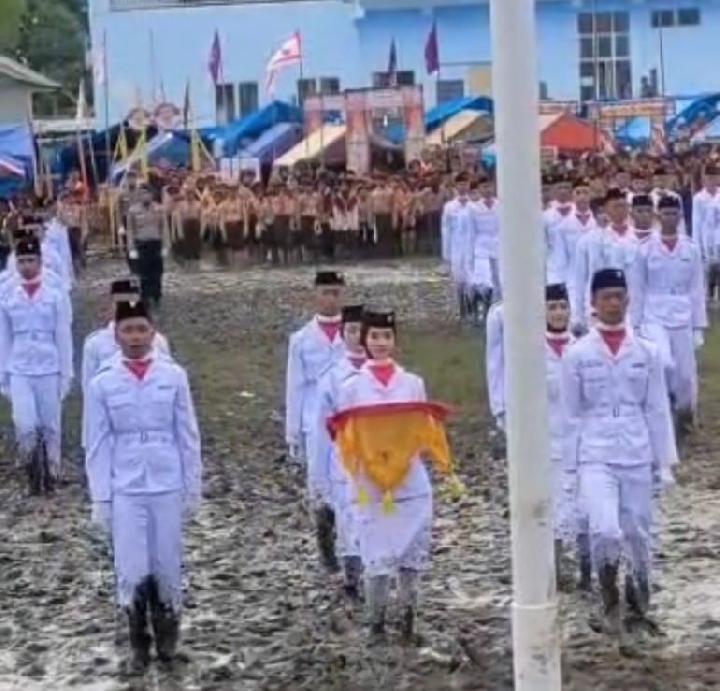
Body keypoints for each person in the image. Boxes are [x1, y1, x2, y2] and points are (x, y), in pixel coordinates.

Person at [85, 299, 201, 673]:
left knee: (166, 562)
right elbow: (97, 443)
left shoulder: (173, 376)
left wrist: (191, 485)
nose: (135, 337)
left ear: (153, 332)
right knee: (132, 567)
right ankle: (138, 640)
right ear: (115, 334)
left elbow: (188, 435)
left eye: (141, 329)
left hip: (165, 481)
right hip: (125, 485)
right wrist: (101, 497)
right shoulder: (102, 382)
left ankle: (168, 636)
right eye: (127, 330)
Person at [562, 268, 675, 636]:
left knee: (639, 532)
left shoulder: (647, 351)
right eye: (606, 296)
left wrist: (666, 461)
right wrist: (569, 466)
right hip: (595, 452)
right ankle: (609, 599)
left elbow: (657, 407)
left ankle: (639, 604)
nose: (613, 303)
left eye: (619, 296)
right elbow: (570, 414)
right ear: (593, 303)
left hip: (637, 449)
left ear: (628, 300)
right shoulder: (577, 355)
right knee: (606, 530)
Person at [335, 309, 436, 642]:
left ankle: (407, 620)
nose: (381, 343)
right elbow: (344, 439)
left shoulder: (412, 384)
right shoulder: (351, 388)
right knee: (376, 557)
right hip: (370, 485)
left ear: (395, 340)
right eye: (374, 336)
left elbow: (422, 431)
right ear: (364, 340)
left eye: (387, 336)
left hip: (409, 483)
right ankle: (376, 623)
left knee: (411, 558)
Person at [0, 237, 73, 493]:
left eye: (31, 260)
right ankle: (30, 466)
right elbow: (3, 336)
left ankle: (53, 469)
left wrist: (66, 372)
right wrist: (3, 373)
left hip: (49, 363)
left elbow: (63, 335)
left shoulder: (54, 294)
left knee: (51, 423)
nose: (26, 266)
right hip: (19, 365)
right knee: (25, 422)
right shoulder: (7, 294)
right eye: (21, 261)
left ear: (40, 261)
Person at [632, 195, 706, 438]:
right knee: (663, 363)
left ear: (679, 217)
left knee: (685, 374)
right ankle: (661, 413)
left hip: (682, 313)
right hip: (654, 313)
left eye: (674, 214)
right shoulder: (645, 249)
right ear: (658, 216)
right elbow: (638, 287)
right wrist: (636, 322)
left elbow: (697, 288)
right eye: (665, 214)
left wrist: (698, 326)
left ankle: (685, 415)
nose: (670, 218)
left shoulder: (690, 248)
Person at [308, 304, 366, 592]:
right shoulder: (331, 377)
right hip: (343, 456)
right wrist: (318, 476)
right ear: (343, 334)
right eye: (352, 330)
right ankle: (352, 576)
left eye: (362, 330)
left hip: (376, 457)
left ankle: (376, 572)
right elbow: (321, 430)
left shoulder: (384, 372)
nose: (357, 336)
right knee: (348, 516)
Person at [81, 278, 171, 447]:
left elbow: (168, 381)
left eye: (131, 301)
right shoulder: (96, 343)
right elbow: (89, 392)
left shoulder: (158, 341)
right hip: (114, 423)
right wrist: (90, 439)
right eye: (119, 303)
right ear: (110, 305)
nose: (126, 308)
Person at [286, 271, 346, 463]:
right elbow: (295, 386)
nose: (330, 300)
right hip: (313, 415)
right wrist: (292, 432)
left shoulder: (358, 335)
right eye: (325, 293)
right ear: (315, 295)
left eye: (336, 293)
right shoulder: (301, 339)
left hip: (349, 411)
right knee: (318, 478)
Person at [573, 188, 638, 332]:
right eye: (615, 206)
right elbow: (580, 280)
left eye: (623, 206)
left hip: (632, 305)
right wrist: (579, 314)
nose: (620, 211)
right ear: (606, 209)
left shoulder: (638, 238)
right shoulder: (588, 241)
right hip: (599, 306)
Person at [126, 186, 170, 307]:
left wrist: (166, 246)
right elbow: (130, 230)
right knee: (143, 272)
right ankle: (145, 296)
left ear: (152, 195)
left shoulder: (159, 208)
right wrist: (131, 248)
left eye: (148, 194)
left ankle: (156, 295)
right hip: (141, 243)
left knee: (157, 272)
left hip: (155, 243)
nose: (145, 196)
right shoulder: (133, 211)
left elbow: (164, 227)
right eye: (142, 194)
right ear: (139, 196)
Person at [441, 174, 476, 321]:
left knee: (473, 280)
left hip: (472, 247)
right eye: (460, 184)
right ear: (456, 186)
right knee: (459, 280)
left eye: (465, 184)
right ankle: (463, 311)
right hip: (456, 247)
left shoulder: (474, 206)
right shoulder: (449, 207)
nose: (463, 187)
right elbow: (446, 230)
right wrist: (446, 254)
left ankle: (473, 309)